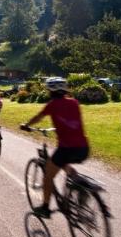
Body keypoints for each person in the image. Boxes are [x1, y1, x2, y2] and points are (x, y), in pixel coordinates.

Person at [21, 77, 89, 218]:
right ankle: (81, 186)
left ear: (50, 90)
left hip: (66, 148)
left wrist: (27, 126)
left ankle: (45, 208)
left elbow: (38, 117)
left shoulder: (52, 105)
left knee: (48, 175)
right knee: (64, 164)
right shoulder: (74, 102)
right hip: (83, 148)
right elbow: (69, 120)